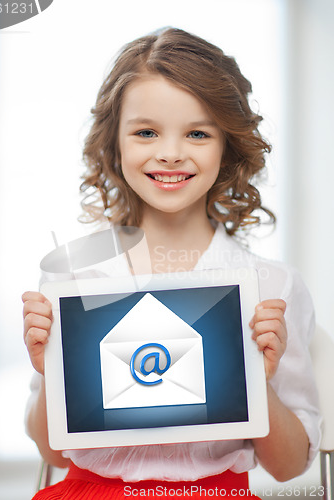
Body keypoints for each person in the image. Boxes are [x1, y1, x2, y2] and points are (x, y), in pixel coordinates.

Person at [22, 27, 321, 499]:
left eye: (198, 133)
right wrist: (48, 368)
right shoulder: (74, 276)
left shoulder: (273, 286)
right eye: (146, 132)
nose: (170, 153)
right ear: (114, 145)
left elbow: (288, 469)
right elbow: (56, 453)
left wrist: (254, 381)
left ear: (227, 148)